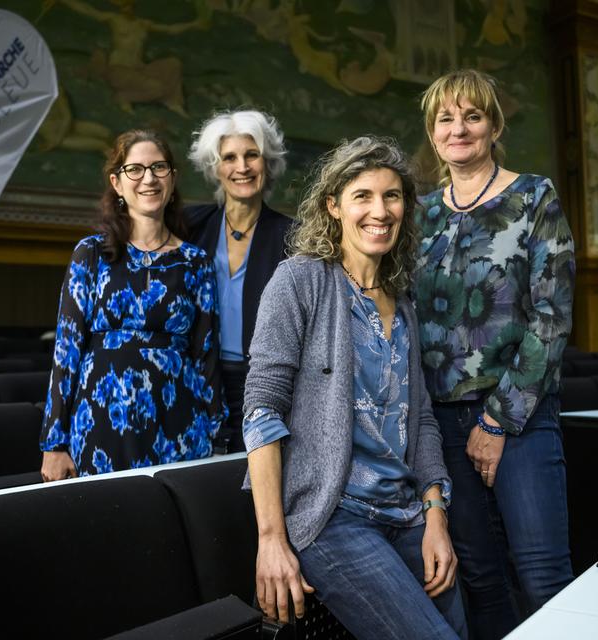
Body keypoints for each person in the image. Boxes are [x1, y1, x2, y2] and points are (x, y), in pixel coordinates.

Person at [243, 135, 467, 640]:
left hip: (406, 513)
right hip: (333, 518)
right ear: (333, 206)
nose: (380, 210)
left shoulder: (403, 301)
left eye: (392, 196)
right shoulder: (299, 280)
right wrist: (272, 539)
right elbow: (260, 410)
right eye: (362, 196)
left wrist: (436, 516)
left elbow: (422, 420)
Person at [415, 69, 575, 639]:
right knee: (479, 581)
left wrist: (496, 419)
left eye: (472, 116)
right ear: (433, 134)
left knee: (541, 577)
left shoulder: (534, 196)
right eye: (446, 119)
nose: (459, 129)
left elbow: (552, 319)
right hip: (441, 424)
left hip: (520, 416)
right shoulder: (419, 214)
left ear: (494, 125)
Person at [40, 129, 227, 480]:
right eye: (135, 169)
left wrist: (218, 434)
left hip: (180, 427)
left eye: (159, 167)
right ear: (117, 182)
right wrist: (54, 442)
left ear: (173, 179)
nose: (149, 179)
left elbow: (206, 354)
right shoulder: (91, 253)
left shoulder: (196, 262)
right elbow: (66, 351)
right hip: (100, 426)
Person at [186, 109, 293, 452]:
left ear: (268, 162)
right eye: (229, 157)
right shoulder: (191, 228)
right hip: (200, 382)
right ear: (215, 168)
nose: (242, 167)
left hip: (265, 385)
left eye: (252, 155)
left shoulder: (293, 236)